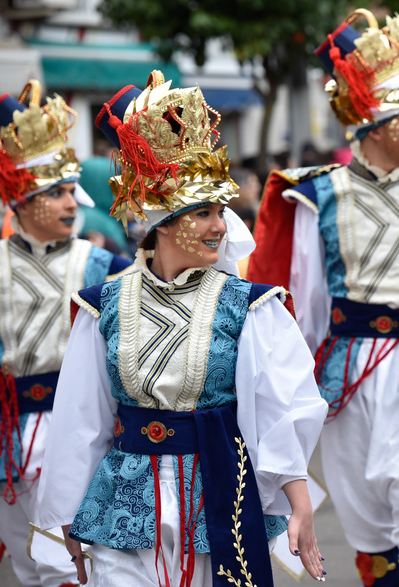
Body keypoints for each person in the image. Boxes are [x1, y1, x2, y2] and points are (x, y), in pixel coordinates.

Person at [34, 71, 328, 587]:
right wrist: (65, 519)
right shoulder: (103, 306)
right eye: (204, 213)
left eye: (222, 211)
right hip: (124, 499)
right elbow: (82, 421)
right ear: (163, 222)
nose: (221, 225)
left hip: (217, 492)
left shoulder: (251, 306)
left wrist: (298, 502)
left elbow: (283, 406)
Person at [248, 9, 399, 587]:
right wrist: (289, 389)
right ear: (372, 126)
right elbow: (302, 299)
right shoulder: (318, 195)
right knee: (364, 515)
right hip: (345, 374)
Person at [0, 81, 132, 587]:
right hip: (11, 437)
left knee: (72, 566)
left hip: (78, 431)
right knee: (27, 564)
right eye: (54, 193)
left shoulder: (105, 265)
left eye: (69, 190)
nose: (71, 202)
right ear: (21, 200)